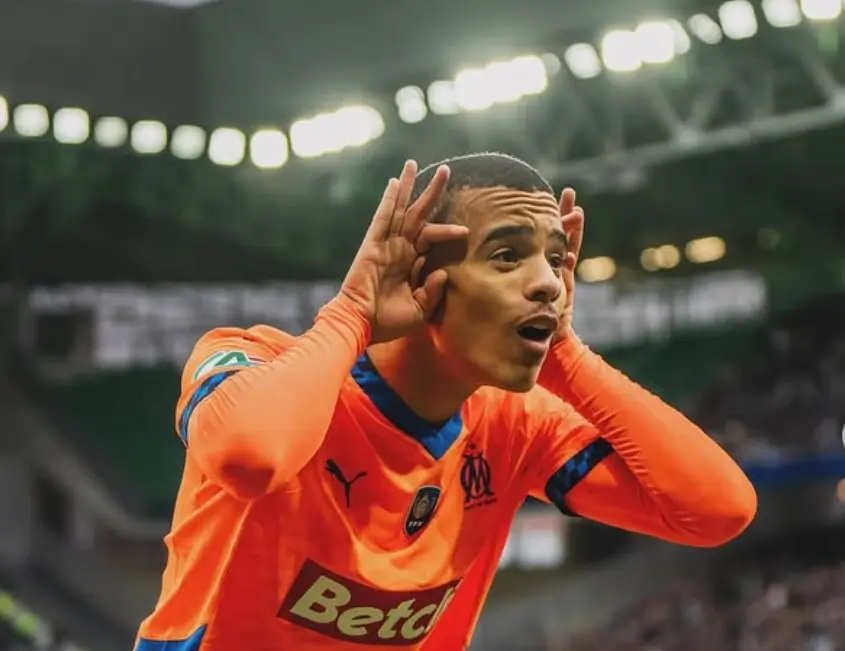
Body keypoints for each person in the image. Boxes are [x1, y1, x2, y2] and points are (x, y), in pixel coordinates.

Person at [134, 153, 757, 651]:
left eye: (556, 260)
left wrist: (565, 353)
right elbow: (250, 458)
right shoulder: (256, 363)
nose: (548, 283)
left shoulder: (517, 426)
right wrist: (353, 313)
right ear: (421, 276)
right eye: (508, 255)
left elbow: (717, 510)